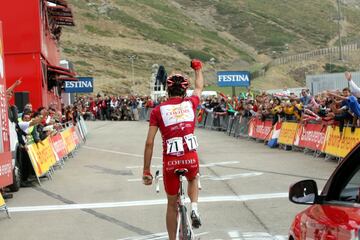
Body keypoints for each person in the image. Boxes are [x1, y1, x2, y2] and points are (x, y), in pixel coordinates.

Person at [142, 59, 204, 240]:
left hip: (170, 161)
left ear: (167, 89)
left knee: (171, 205)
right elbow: (199, 87)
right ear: (185, 90)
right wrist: (198, 69)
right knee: (193, 178)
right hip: (190, 157)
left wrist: (146, 170)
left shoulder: (157, 111)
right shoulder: (191, 103)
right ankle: (194, 207)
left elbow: (149, 143)